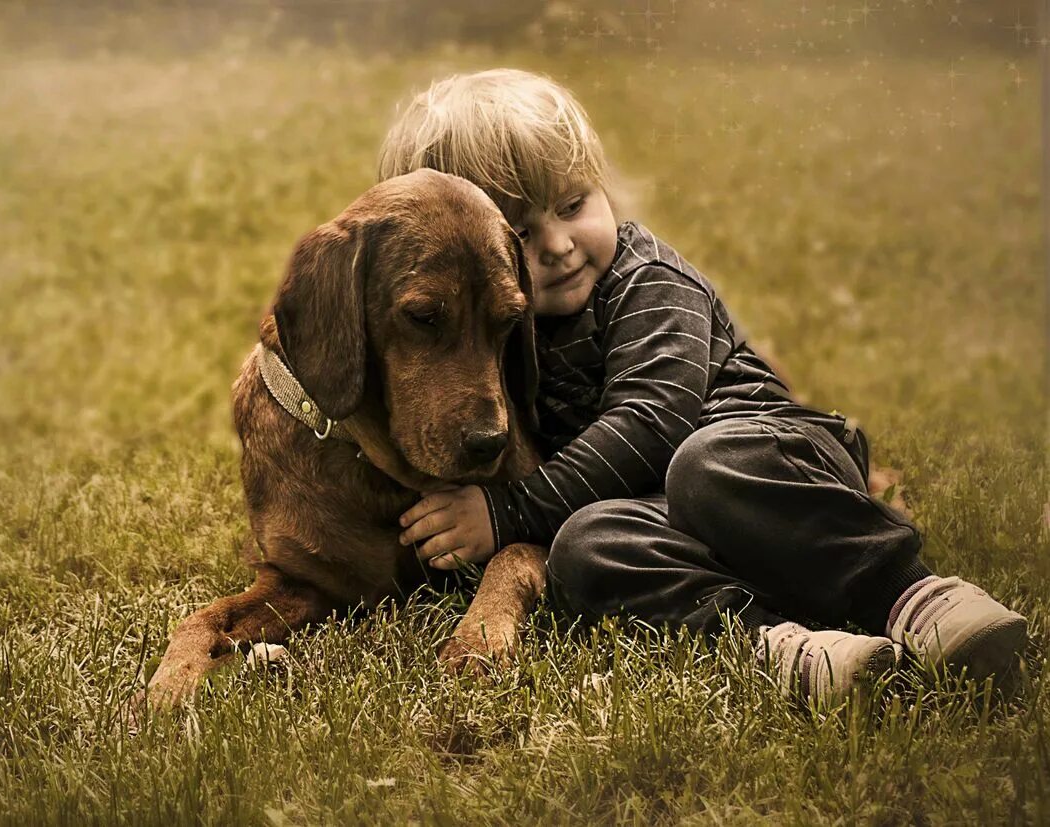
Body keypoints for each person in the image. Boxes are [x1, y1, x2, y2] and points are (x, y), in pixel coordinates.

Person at [379, 68, 1027, 707]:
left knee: (704, 464)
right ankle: (783, 645)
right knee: (585, 546)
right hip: (670, 511)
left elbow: (653, 422)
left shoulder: (648, 280)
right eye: (521, 231)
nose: (559, 244)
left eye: (574, 205)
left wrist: (509, 514)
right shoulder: (503, 328)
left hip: (770, 462)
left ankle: (914, 595)